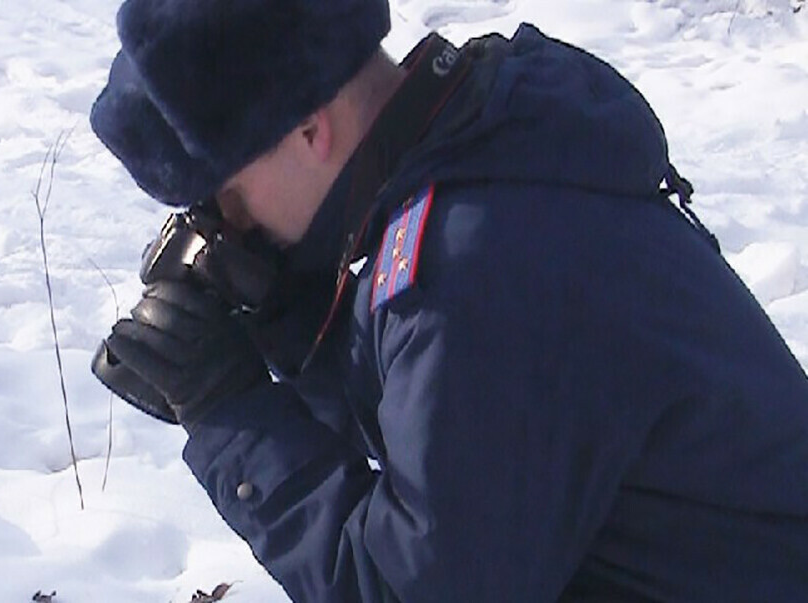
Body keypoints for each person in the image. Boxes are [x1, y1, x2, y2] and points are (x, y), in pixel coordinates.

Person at [88, 0, 808, 601]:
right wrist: (285, 317)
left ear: (309, 130)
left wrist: (231, 414)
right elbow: (455, 456)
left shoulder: (475, 272)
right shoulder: (480, 139)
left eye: (228, 200)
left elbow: (415, 588)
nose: (230, 229)